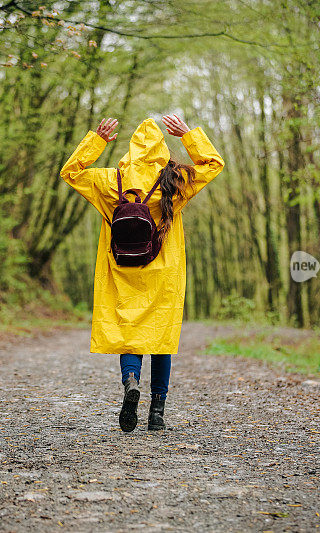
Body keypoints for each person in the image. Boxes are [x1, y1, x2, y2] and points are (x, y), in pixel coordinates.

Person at [60, 114, 224, 432]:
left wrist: (97, 140)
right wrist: (188, 136)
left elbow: (70, 172)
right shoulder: (174, 180)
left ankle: (131, 380)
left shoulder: (109, 181)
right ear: (161, 147)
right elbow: (213, 164)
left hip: (122, 270)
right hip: (164, 271)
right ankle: (157, 411)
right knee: (162, 339)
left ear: (130, 149)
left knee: (130, 336)